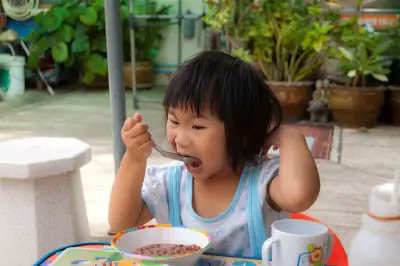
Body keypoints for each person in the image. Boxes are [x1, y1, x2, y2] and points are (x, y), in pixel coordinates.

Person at [108, 51, 320, 259]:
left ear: (242, 132)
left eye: (197, 126)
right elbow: (121, 223)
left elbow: (300, 196)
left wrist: (289, 136)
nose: (180, 139)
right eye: (174, 121)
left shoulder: (262, 182)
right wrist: (134, 159)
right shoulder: (170, 184)